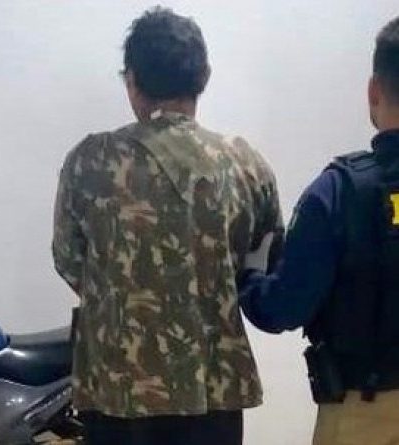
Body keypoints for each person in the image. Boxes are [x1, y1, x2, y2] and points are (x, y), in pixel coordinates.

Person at [52, 7, 283, 445]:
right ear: (204, 76)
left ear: (131, 81)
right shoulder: (244, 164)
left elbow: (69, 260)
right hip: (212, 390)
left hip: (118, 390)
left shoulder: (90, 162)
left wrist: (127, 298)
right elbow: (266, 260)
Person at [239, 16, 399, 445]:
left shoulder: (339, 191)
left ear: (374, 91)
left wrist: (249, 275)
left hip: (365, 416)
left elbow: (283, 309)